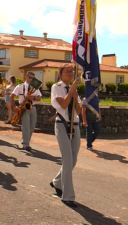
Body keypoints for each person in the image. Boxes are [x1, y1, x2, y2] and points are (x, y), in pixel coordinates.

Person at [49, 64, 81, 208]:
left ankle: (57, 181)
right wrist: (71, 91)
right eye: (67, 71)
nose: (70, 73)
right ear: (60, 74)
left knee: (73, 159)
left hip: (75, 125)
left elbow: (78, 111)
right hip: (62, 125)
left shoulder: (73, 89)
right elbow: (63, 105)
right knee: (67, 159)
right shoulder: (56, 87)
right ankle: (67, 196)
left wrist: (77, 97)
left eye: (72, 71)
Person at [10, 72, 42, 151]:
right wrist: (14, 107)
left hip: (32, 107)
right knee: (26, 126)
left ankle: (27, 141)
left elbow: (39, 98)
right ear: (26, 77)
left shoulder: (35, 87)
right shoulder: (20, 86)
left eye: (33, 78)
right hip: (24, 107)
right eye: (30, 77)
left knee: (32, 126)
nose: (31, 79)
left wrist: (33, 98)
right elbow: (11, 96)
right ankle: (25, 144)